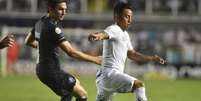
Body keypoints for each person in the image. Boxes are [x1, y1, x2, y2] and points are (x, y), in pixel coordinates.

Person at [88, 2, 166, 101]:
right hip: (110, 74)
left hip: (105, 77)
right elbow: (105, 34)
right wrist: (98, 36)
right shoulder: (114, 29)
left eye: (130, 17)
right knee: (139, 85)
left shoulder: (124, 34)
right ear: (116, 17)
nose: (130, 20)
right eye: (126, 17)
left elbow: (132, 54)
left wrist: (151, 58)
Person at [25, 0, 101, 101]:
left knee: (74, 84)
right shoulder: (53, 28)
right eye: (60, 9)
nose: (64, 12)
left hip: (42, 69)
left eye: (65, 9)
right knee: (82, 95)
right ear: (50, 9)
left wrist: (44, 47)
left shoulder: (41, 22)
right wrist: (95, 59)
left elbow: (28, 41)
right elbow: (71, 52)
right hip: (51, 71)